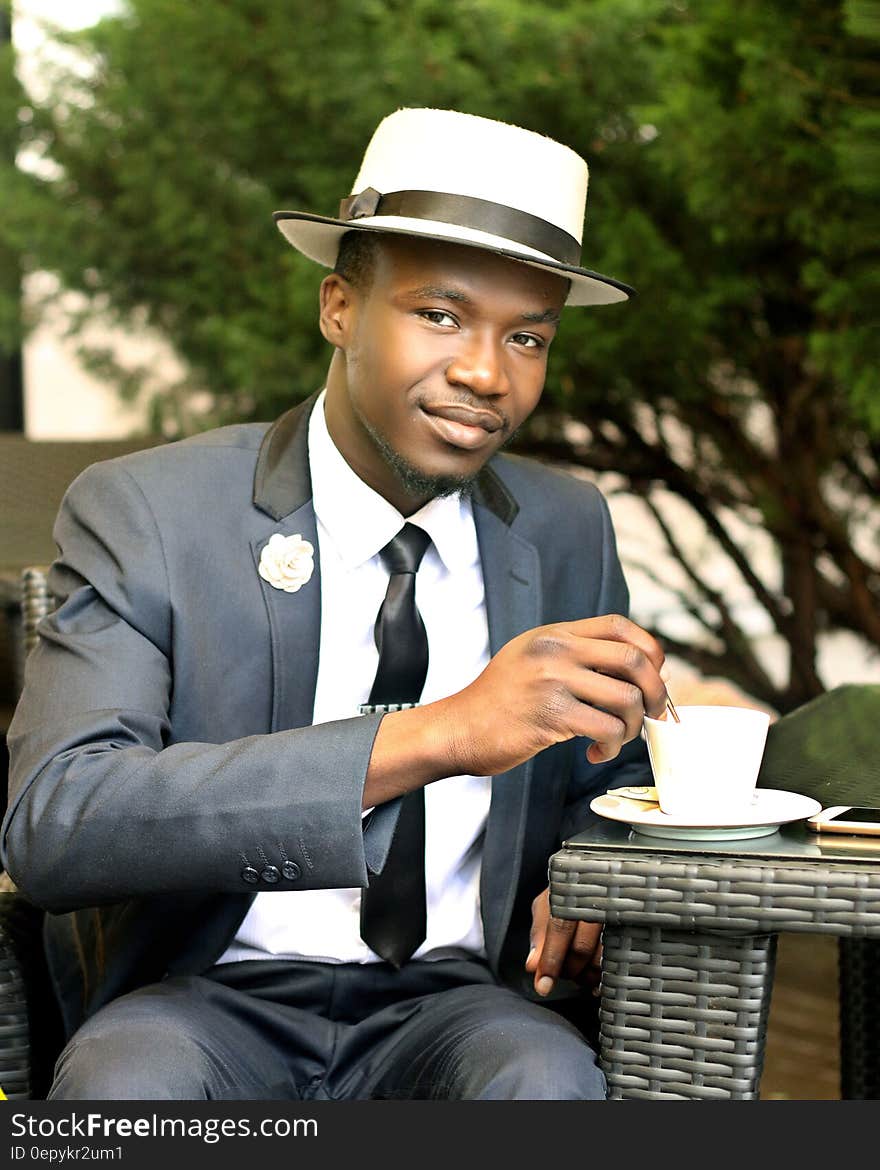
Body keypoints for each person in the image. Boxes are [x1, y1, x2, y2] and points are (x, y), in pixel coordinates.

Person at [3, 107, 668, 1101]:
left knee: (546, 1087)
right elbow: (59, 825)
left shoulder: (565, 528)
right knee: (124, 1098)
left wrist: (602, 875)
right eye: (439, 315)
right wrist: (441, 734)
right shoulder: (152, 511)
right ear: (339, 308)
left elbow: (607, 784)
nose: (486, 373)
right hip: (201, 999)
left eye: (526, 335)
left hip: (458, 1006)